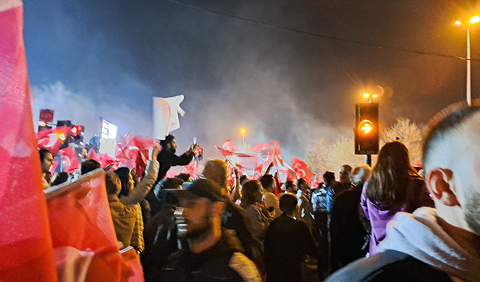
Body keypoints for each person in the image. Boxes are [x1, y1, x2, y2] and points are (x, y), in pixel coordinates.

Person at [327, 100, 480, 282]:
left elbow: (364, 214)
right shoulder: (367, 278)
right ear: (442, 187)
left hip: (379, 248)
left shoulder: (370, 185)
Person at [158, 179, 262, 281]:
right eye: (179, 206)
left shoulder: (236, 271)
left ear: (217, 208)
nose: (180, 213)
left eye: (191, 204)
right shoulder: (172, 264)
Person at [360, 141, 434, 255]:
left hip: (377, 252)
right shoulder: (416, 185)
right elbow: (429, 215)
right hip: (407, 253)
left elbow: (365, 213)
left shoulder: (368, 185)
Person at [203, 159, 254, 259]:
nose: (201, 182)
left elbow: (245, 252)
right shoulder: (200, 209)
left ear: (217, 180)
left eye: (205, 178)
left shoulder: (236, 214)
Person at [113, 145, 159, 253]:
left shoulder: (115, 200)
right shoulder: (127, 201)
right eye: (130, 179)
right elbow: (149, 180)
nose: (133, 181)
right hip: (130, 253)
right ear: (123, 183)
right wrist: (153, 158)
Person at [264, 194, 316, 282]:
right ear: (296, 207)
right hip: (293, 269)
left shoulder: (273, 225)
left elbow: (267, 247)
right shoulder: (300, 226)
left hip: (274, 270)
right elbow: (310, 248)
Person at [329, 165, 371, 273]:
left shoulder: (342, 198)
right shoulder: (373, 197)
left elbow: (334, 228)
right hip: (367, 250)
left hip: (346, 250)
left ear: (352, 178)